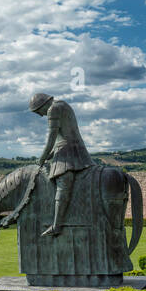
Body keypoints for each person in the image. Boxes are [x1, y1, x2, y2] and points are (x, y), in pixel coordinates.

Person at [29, 92, 94, 238]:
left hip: (68, 152)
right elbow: (62, 136)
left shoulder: (53, 109)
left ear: (43, 104)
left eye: (38, 112)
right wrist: (50, 155)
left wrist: (42, 158)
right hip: (70, 148)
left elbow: (52, 138)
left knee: (63, 183)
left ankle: (57, 225)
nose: (40, 115)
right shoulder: (64, 105)